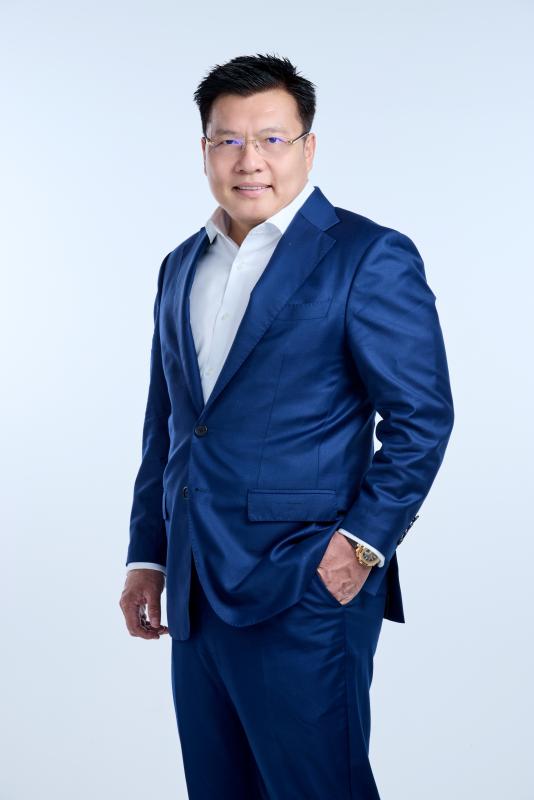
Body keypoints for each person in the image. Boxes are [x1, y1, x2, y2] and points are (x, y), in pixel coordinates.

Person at [119, 53, 454, 799]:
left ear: (308, 146)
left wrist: (362, 544)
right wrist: (149, 556)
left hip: (306, 584)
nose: (250, 161)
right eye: (229, 140)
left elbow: (422, 417)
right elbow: (167, 424)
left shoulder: (367, 256)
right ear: (205, 149)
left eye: (272, 139)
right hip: (196, 589)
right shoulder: (181, 265)